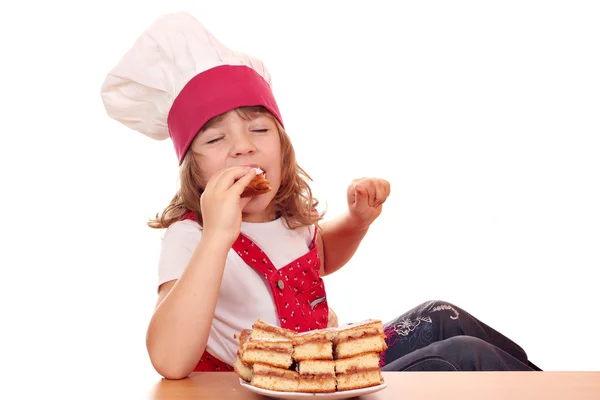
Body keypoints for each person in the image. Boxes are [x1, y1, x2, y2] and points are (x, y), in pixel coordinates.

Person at [101, 12, 540, 380]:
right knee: (461, 357)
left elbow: (321, 256)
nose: (242, 146)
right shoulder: (191, 237)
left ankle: (551, 385)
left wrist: (356, 222)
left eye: (258, 129)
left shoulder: (285, 215)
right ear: (193, 169)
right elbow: (168, 360)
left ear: (283, 145)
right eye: (215, 140)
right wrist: (217, 236)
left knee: (443, 315)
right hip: (265, 390)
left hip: (324, 371)